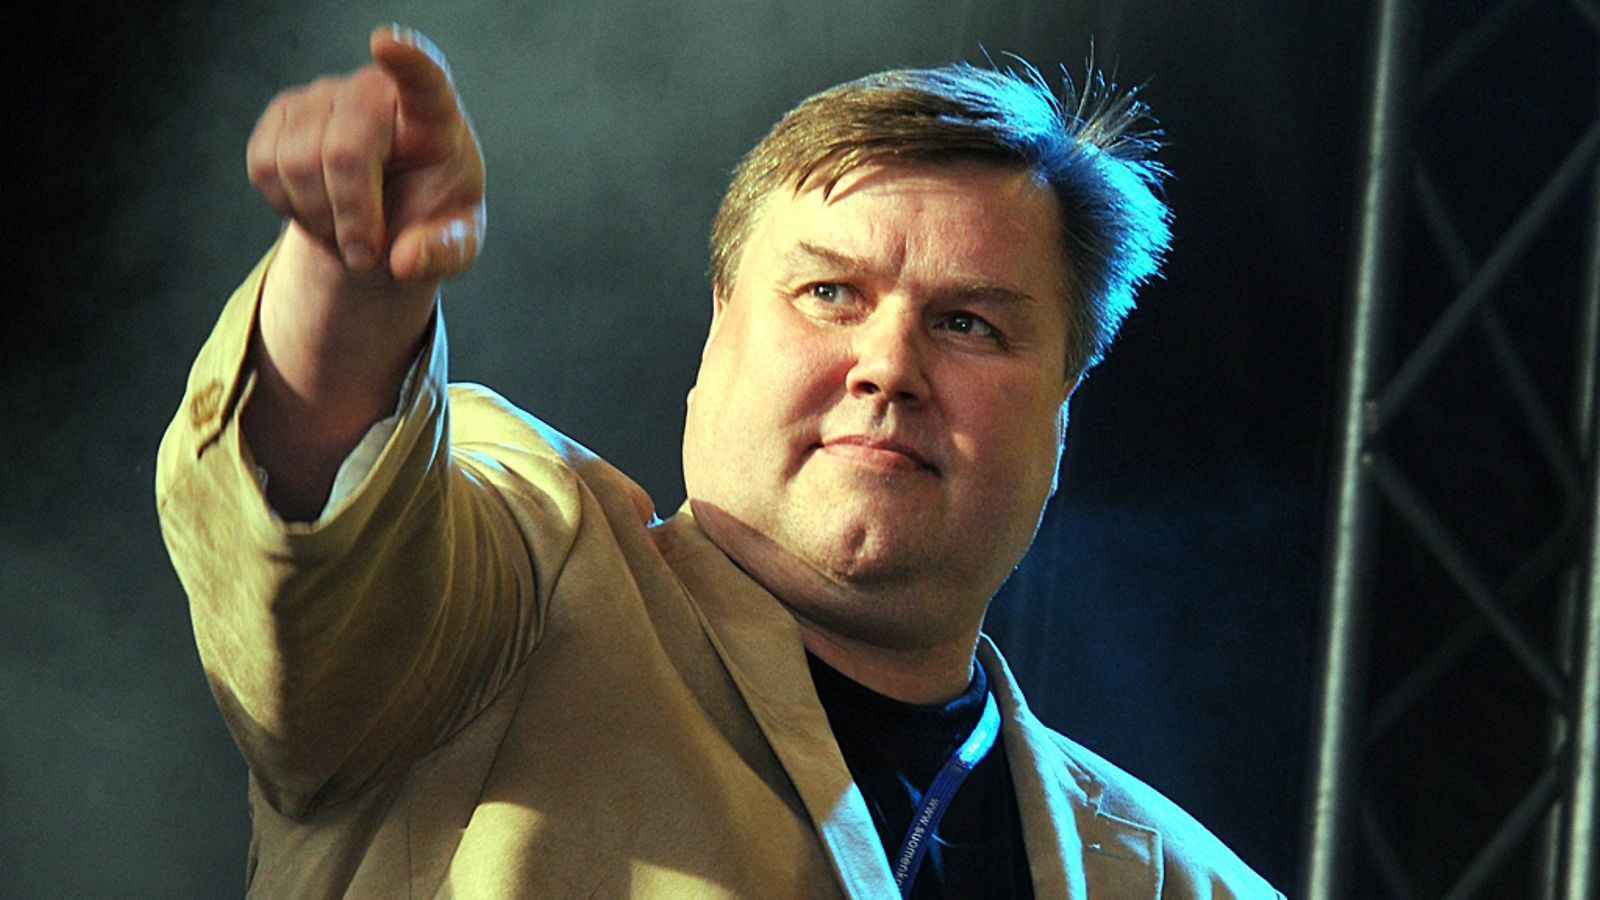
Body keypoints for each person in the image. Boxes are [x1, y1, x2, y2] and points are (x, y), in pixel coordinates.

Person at [157, 24, 1283, 899]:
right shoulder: (516, 594)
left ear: (1062, 414)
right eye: (830, 292)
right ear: (716, 337)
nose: (888, 366)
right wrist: (350, 284)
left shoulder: (1174, 879)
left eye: (968, 324)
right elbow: (332, 539)